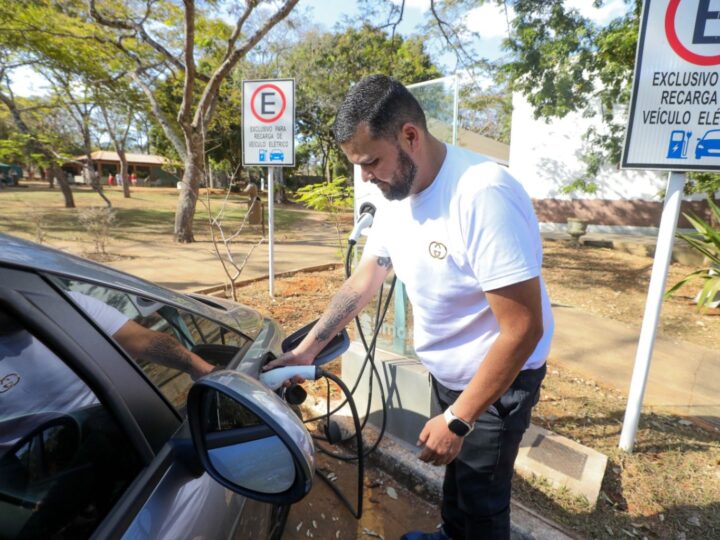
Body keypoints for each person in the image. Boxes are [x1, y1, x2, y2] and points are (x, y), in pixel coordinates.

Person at [263, 74, 554, 540]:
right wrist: (307, 349)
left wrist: (459, 418)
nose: (365, 176)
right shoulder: (395, 194)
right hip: (449, 373)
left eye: (370, 161)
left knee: (482, 499)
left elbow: (524, 328)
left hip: (499, 383)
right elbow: (366, 278)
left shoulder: (482, 194)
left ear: (410, 136)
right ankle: (450, 533)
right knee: (457, 480)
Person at [0, 291, 216, 426]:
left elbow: (143, 341)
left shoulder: (66, 307)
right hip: (32, 475)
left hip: (125, 429)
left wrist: (204, 370)